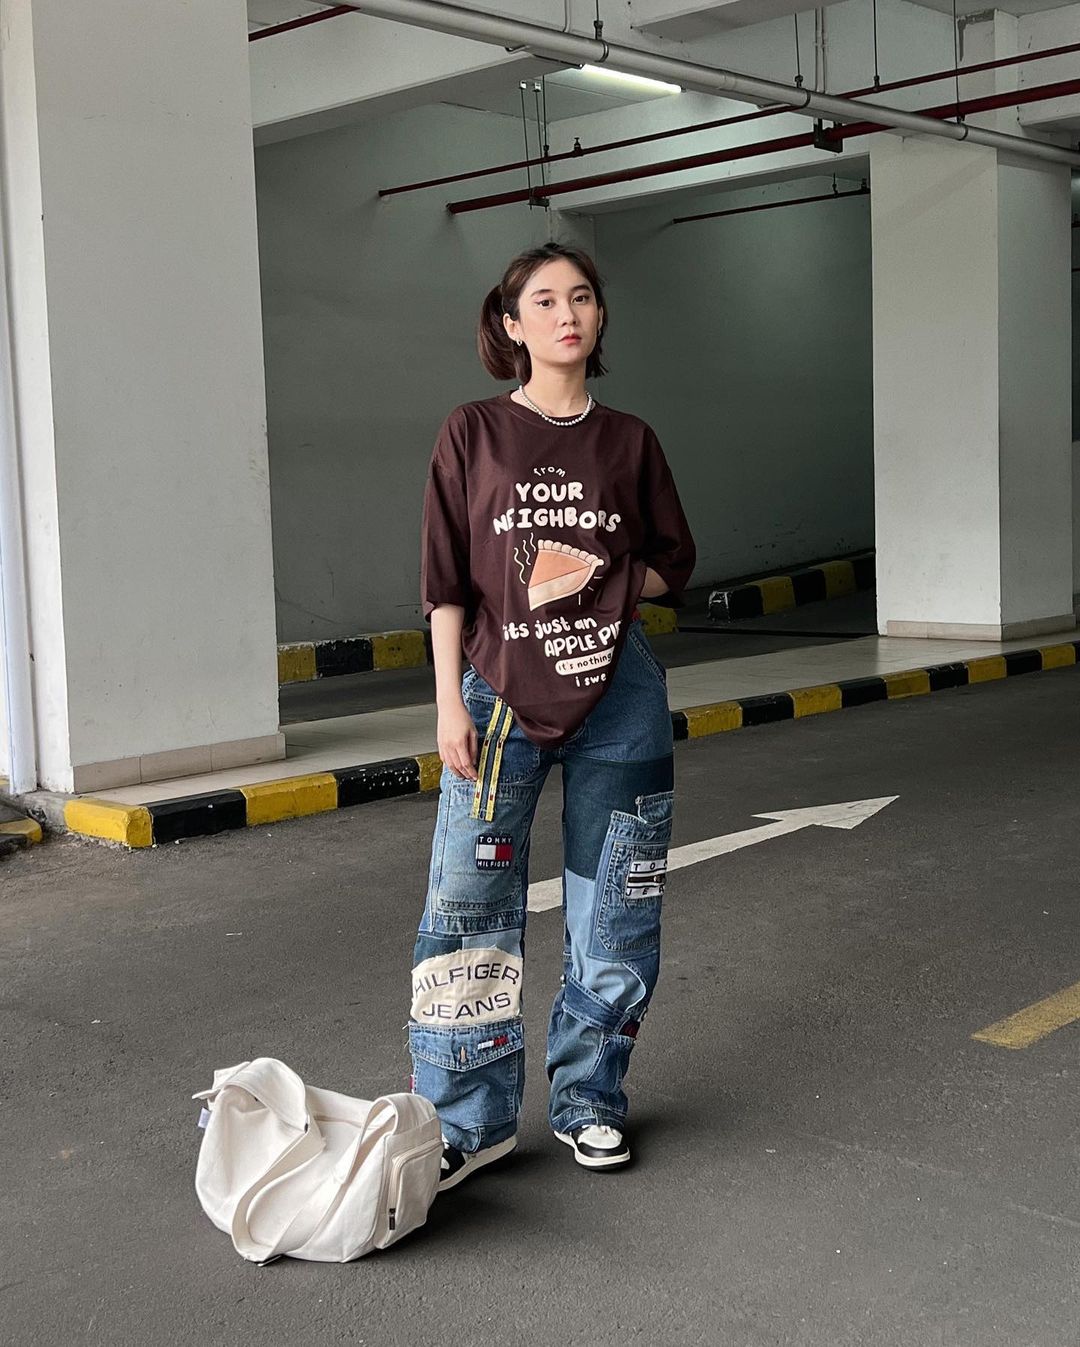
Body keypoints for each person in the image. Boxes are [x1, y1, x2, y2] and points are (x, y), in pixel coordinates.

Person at [409, 241, 696, 1191]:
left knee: (616, 904)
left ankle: (589, 1098)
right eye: (543, 300)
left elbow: (671, 563)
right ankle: (468, 1117)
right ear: (510, 323)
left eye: (581, 297)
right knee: (467, 907)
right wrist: (447, 701)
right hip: (495, 695)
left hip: (621, 694)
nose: (565, 314)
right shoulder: (474, 432)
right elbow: (447, 581)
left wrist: (604, 583)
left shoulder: (631, 441)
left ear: (600, 317)